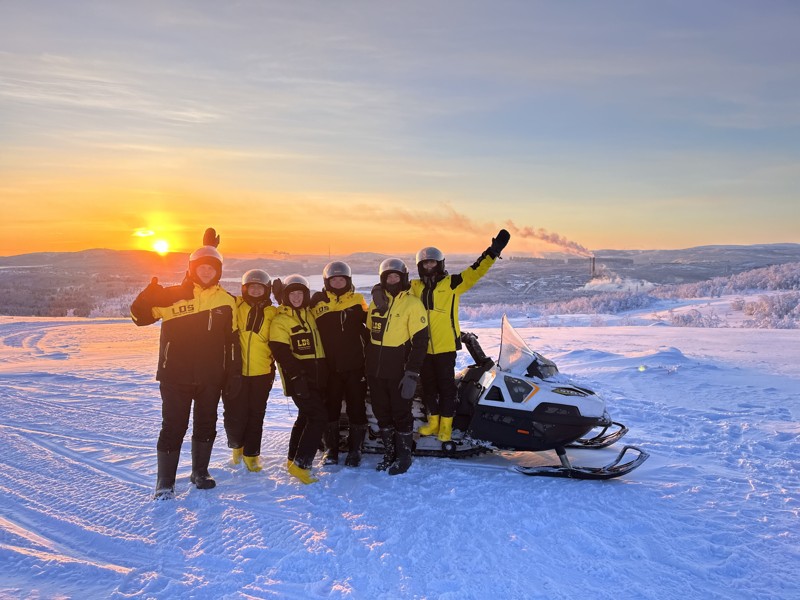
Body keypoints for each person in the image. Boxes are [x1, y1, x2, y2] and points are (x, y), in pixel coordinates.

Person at [130, 234, 241, 500]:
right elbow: (139, 318)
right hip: (175, 375)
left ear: (218, 272)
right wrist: (146, 298)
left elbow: (233, 342)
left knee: (206, 424)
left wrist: (233, 373)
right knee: (173, 426)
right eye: (201, 267)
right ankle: (165, 482)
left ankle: (199, 473)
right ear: (192, 269)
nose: (206, 271)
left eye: (211, 268)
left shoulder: (227, 301)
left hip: (211, 377)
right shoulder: (171, 296)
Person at [377, 229, 510, 443]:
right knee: (428, 388)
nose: (429, 267)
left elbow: (476, 270)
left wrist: (493, 252)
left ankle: (446, 426)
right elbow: (391, 285)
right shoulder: (414, 287)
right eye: (425, 264)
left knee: (446, 388)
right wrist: (376, 292)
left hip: (445, 347)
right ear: (420, 267)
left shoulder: (453, 284)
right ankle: (434, 423)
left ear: (440, 264)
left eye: (433, 263)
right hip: (420, 348)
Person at [365, 258, 429, 475]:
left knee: (401, 414)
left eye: (396, 276)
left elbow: (420, 343)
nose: (392, 280)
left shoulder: (412, 303)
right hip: (375, 371)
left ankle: (404, 457)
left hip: (399, 371)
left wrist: (412, 373)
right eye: (388, 277)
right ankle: (389, 453)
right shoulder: (376, 303)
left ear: (403, 278)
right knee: (382, 413)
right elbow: (369, 336)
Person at [268, 274, 328, 484]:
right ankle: (302, 465)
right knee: (318, 418)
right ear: (285, 296)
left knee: (305, 417)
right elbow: (281, 352)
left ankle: (292, 459)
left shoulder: (309, 314)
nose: (296, 297)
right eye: (291, 293)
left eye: (300, 293)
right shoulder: (281, 320)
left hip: (317, 378)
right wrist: (296, 377)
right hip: (299, 380)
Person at [309, 261, 369, 467]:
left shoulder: (358, 299)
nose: (337, 282)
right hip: (329, 367)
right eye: (333, 279)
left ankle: (355, 450)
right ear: (327, 281)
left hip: (355, 366)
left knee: (356, 408)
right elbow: (297, 315)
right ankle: (331, 450)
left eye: (341, 279)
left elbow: (373, 320)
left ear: (348, 280)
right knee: (330, 408)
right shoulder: (317, 303)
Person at [224, 269, 277, 472]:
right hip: (234, 372)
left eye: (259, 287)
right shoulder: (236, 304)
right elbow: (214, 291)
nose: (255, 290)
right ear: (244, 289)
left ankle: (251, 454)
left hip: (262, 372)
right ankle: (237, 446)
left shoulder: (273, 312)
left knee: (256, 415)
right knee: (235, 414)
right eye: (251, 287)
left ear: (266, 290)